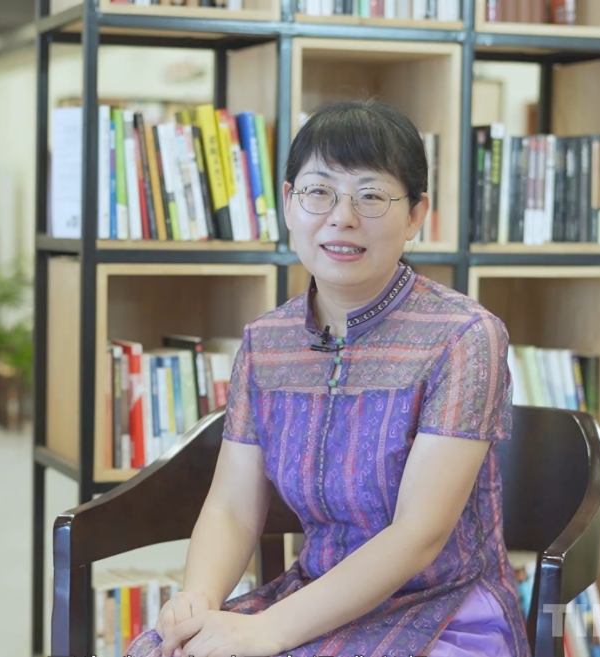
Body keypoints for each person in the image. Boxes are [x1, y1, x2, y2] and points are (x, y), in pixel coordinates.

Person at [124, 98, 529, 657]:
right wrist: (199, 598)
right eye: (319, 191)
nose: (342, 217)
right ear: (289, 203)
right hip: (313, 599)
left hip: (443, 608)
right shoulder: (266, 342)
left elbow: (419, 534)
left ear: (416, 214)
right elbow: (232, 508)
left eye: (371, 195)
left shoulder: (463, 336)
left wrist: (266, 631)